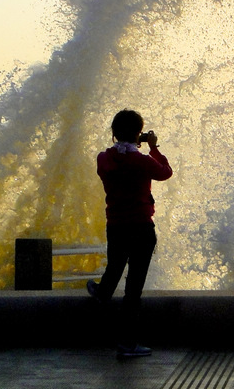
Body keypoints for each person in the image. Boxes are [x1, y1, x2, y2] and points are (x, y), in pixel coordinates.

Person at [87, 109, 173, 358]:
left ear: (114, 133)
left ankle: (102, 292)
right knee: (133, 288)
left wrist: (133, 143)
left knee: (114, 267)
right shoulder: (143, 161)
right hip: (142, 227)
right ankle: (127, 343)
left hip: (116, 225)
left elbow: (112, 162)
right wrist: (153, 148)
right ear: (139, 135)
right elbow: (165, 172)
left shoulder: (104, 159)